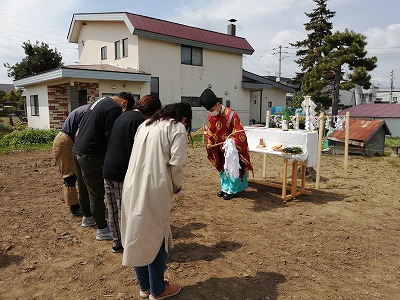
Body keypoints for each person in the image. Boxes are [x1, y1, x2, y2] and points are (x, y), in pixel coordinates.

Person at [120, 102, 192, 300]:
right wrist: (177, 186)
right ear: (184, 119)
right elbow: (177, 165)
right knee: (156, 235)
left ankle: (145, 287)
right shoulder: (177, 128)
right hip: (155, 188)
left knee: (137, 233)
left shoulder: (145, 125)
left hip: (131, 186)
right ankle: (158, 289)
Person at [103, 95, 162, 253]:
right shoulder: (140, 123)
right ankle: (128, 245)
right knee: (125, 210)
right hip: (123, 172)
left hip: (108, 169)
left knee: (112, 209)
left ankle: (117, 243)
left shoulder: (123, 116)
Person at [73, 92, 135, 241]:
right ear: (124, 104)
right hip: (91, 154)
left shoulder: (99, 102)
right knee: (96, 192)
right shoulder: (114, 108)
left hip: (78, 149)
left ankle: (87, 218)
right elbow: (110, 136)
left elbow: (79, 129)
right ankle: (102, 228)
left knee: (83, 187)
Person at [199, 88, 253, 200]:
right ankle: (225, 188)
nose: (211, 112)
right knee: (223, 168)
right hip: (219, 148)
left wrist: (229, 145)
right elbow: (210, 131)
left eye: (212, 109)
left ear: (218, 104)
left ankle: (233, 189)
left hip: (231, 149)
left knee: (232, 167)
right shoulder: (211, 116)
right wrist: (209, 142)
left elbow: (239, 132)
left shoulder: (231, 115)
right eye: (209, 110)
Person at [52, 104, 89, 216]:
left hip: (67, 139)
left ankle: (81, 204)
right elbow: (78, 134)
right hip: (65, 141)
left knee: (76, 174)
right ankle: (74, 207)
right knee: (69, 176)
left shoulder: (88, 109)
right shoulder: (88, 113)